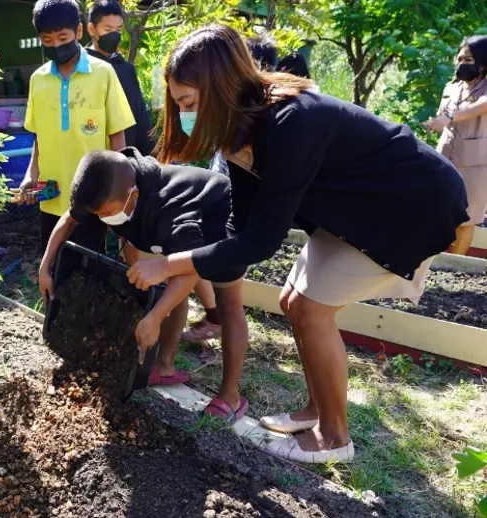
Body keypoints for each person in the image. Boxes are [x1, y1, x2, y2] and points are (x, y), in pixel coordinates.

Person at [127, 25, 468, 463]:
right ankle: (316, 409)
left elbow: (262, 241)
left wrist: (170, 263)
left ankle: (334, 437)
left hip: (407, 207)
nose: (184, 115)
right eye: (178, 104)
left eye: (189, 103)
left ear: (220, 89)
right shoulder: (240, 134)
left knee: (310, 309)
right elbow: (238, 229)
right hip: (352, 210)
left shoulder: (291, 123)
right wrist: (184, 265)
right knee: (292, 301)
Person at [39, 148, 250, 422]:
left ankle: (230, 397)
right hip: (176, 237)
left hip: (221, 222)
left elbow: (190, 270)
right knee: (169, 290)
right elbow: (68, 220)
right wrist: (45, 268)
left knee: (228, 304)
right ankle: (163, 366)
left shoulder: (170, 212)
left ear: (133, 195)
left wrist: (154, 317)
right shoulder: (105, 186)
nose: (102, 219)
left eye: (106, 213)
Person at [181, 34, 281, 346]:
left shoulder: (275, 128)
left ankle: (216, 319)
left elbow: (259, 237)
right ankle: (215, 317)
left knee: (229, 296)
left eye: (189, 102)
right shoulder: (230, 129)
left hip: (229, 206)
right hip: (222, 203)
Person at [21, 0, 135, 254]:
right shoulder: (38, 80)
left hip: (93, 196)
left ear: (79, 32)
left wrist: (118, 190)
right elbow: (39, 137)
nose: (56, 46)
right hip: (51, 195)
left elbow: (117, 136)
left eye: (63, 37)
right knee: (52, 269)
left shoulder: (103, 73)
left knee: (90, 273)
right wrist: (31, 174)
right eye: (47, 41)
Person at [426, 36, 487, 254]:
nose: (462, 63)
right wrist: (436, 123)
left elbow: (480, 107)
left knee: (466, 218)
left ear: (482, 62)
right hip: (445, 156)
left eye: (468, 59)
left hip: (476, 164)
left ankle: (456, 266)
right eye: (459, 58)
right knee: (437, 211)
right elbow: (443, 117)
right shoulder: (452, 87)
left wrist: (449, 117)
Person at [85, 0, 155, 156]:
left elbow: (140, 116)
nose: (115, 35)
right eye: (108, 29)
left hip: (127, 159)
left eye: (118, 29)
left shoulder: (125, 69)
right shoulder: (82, 68)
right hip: (93, 158)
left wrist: (152, 155)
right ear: (92, 29)